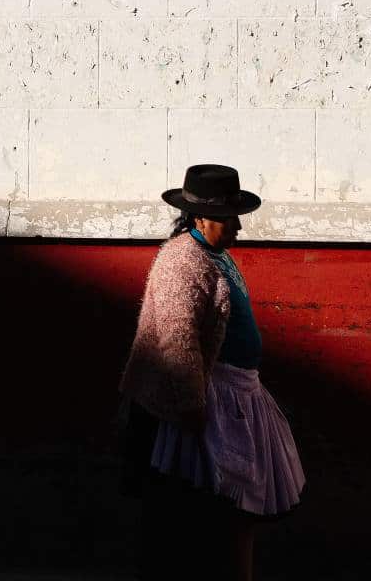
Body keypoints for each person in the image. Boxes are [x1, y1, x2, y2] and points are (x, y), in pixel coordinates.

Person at [119, 164, 305, 581]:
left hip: (237, 396)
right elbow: (175, 339)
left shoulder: (217, 256)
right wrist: (192, 409)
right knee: (208, 512)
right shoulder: (182, 261)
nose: (238, 226)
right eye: (228, 217)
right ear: (200, 218)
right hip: (203, 404)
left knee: (239, 514)